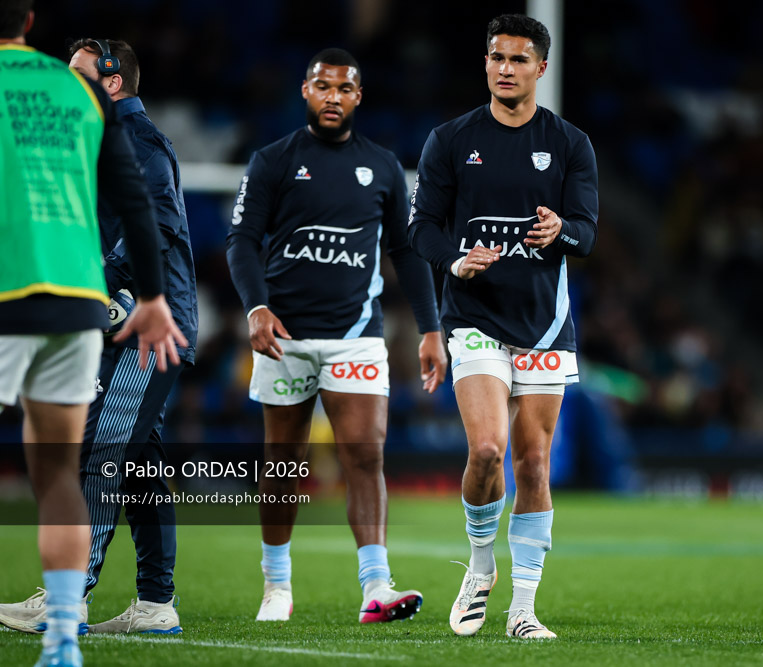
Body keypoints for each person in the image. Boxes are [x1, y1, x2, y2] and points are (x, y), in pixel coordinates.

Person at [226, 47, 447, 624]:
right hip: (286, 337)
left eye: (344, 89)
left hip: (357, 336)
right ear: (305, 91)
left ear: (358, 97)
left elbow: (406, 249)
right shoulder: (273, 161)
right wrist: (255, 308)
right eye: (322, 87)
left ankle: (376, 586)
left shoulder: (382, 166)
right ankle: (277, 585)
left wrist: (430, 328)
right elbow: (243, 241)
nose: (333, 97)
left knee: (364, 455)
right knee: (284, 462)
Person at [0, 3, 187, 665]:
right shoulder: (100, 123)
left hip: (140, 320)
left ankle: (68, 597)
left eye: (83, 76)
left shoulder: (137, 139)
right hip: (114, 314)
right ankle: (155, 601)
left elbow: (153, 230)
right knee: (138, 460)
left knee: (104, 449)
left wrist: (125, 291)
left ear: (112, 81)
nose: (72, 87)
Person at [408, 14, 598, 639]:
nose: (505, 69)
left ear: (541, 68)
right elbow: (422, 228)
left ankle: (523, 610)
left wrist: (559, 232)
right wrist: (456, 261)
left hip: (544, 325)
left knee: (535, 463)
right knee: (488, 450)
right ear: (485, 63)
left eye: (519, 60)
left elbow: (586, 232)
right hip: (474, 318)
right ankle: (481, 565)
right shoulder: (450, 139)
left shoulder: (570, 143)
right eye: (496, 58)